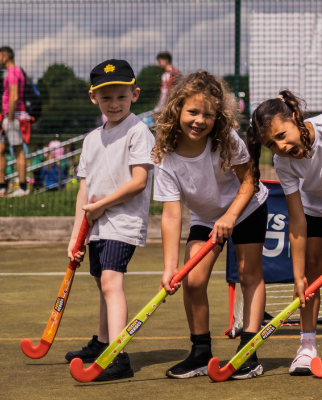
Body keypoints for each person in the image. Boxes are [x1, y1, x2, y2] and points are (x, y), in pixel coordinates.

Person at [152, 71, 268, 380]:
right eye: (193, 112)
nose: (199, 120)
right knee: (192, 279)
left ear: (218, 117)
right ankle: (201, 353)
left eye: (208, 114)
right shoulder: (166, 156)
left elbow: (249, 181)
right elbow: (171, 214)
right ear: (177, 109)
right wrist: (170, 267)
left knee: (248, 273)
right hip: (206, 217)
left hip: (245, 208)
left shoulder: (226, 140)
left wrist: (230, 216)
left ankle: (248, 352)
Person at [246, 90, 322, 376]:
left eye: (281, 135)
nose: (280, 146)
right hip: (312, 206)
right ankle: (307, 345)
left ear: (295, 117)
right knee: (311, 270)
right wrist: (298, 276)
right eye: (271, 144)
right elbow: (297, 220)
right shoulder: (284, 162)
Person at [61, 60, 155, 381]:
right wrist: (77, 236)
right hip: (97, 224)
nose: (114, 104)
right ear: (93, 98)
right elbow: (84, 192)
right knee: (103, 282)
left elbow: (139, 181)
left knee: (111, 281)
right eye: (106, 98)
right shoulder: (90, 140)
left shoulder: (139, 132)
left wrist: (102, 208)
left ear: (134, 94)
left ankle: (119, 356)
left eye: (121, 97)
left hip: (123, 221)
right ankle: (103, 343)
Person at [0, 46, 30, 197]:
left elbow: (14, 96)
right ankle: (0, 186)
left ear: (5, 57)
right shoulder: (16, 71)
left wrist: (10, 118)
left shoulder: (12, 72)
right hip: (9, 117)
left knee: (18, 151)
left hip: (14, 116)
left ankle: (23, 188)